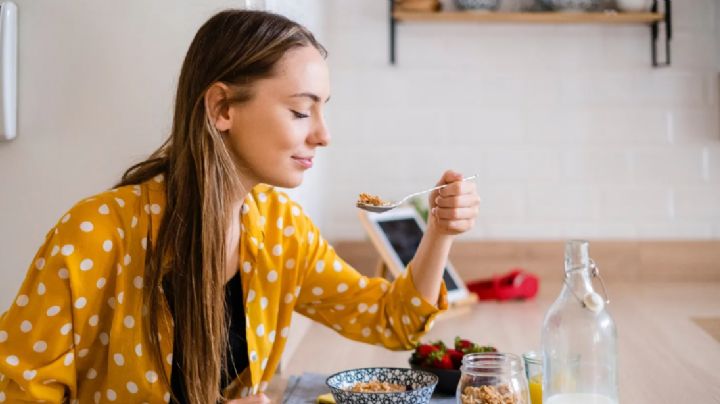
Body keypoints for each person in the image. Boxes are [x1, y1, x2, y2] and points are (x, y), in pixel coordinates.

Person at [0, 9, 480, 404]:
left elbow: (388, 321)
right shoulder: (96, 233)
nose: (322, 134)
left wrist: (439, 231)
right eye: (299, 110)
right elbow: (17, 394)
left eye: (323, 108)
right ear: (222, 109)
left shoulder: (281, 230)